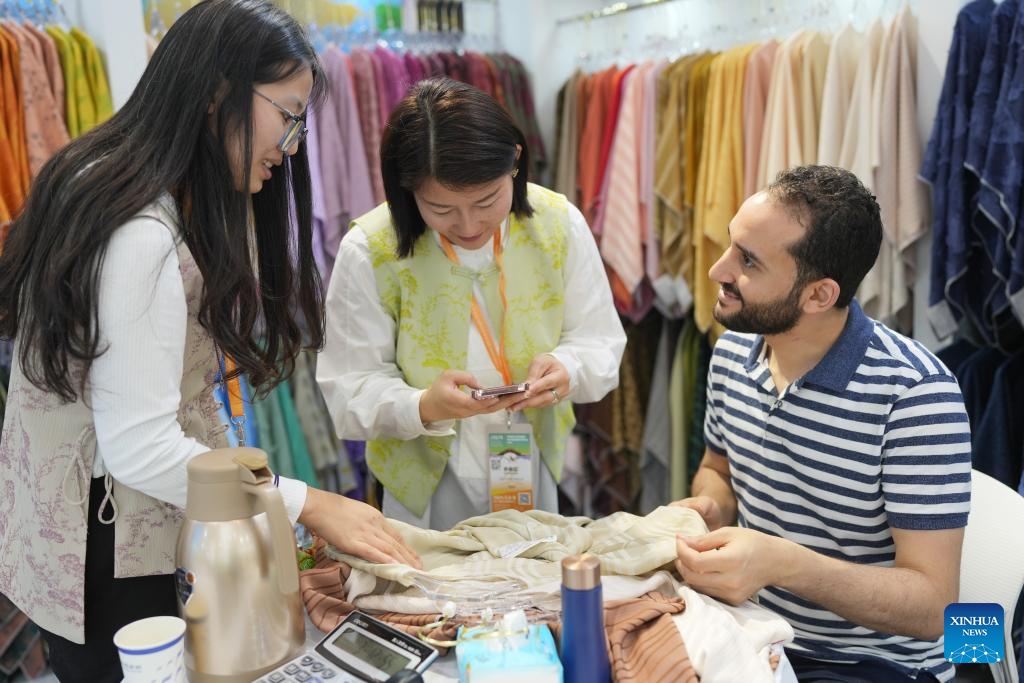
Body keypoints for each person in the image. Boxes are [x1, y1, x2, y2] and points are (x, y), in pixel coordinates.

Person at [0, 2, 417, 681]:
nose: (292, 148)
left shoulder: (127, 185)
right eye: (287, 115)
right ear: (219, 91)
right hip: (110, 548)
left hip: (93, 533)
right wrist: (308, 502)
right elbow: (138, 443)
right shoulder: (140, 234)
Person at [672, 165, 971, 682]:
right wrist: (709, 506)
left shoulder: (915, 395)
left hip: (873, 664)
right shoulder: (732, 351)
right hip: (752, 634)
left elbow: (933, 606)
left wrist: (781, 563)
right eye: (731, 245)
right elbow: (717, 469)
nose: (717, 270)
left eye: (748, 262)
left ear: (818, 296)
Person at [317, 77, 626, 530]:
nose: (467, 225)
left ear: (515, 163)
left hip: (530, 457)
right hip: (422, 482)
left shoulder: (557, 223)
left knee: (532, 585)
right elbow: (349, 387)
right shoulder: (371, 248)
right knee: (433, 594)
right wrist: (422, 405)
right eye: (440, 208)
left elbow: (599, 341)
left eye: (487, 200)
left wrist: (568, 369)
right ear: (408, 189)